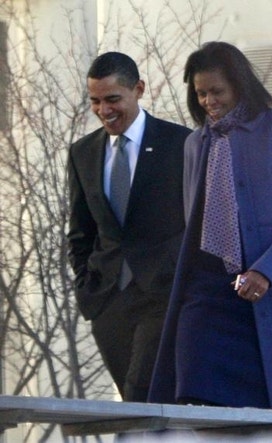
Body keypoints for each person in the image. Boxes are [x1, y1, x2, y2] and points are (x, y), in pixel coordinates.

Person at [147, 41, 272, 412]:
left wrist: (265, 271)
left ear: (239, 85)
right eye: (201, 93)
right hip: (207, 289)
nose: (209, 101)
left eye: (217, 91)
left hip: (267, 288)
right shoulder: (194, 144)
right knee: (193, 385)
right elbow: (193, 219)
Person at [67, 52, 192, 402]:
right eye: (95, 101)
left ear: (138, 89)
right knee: (135, 401)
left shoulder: (181, 144)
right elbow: (81, 231)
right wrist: (86, 284)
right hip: (108, 299)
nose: (103, 110)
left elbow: (198, 223)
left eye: (112, 99)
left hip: (163, 295)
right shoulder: (83, 153)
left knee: (142, 394)